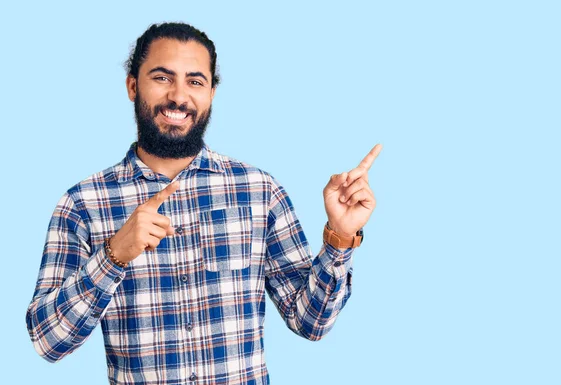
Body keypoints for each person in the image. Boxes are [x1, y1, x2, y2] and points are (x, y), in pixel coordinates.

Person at [26, 22, 381, 385]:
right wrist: (113, 255)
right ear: (133, 86)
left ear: (211, 92)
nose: (179, 96)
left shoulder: (258, 191)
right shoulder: (83, 204)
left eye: (195, 81)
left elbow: (311, 323)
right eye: (162, 78)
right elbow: (47, 340)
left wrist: (339, 236)